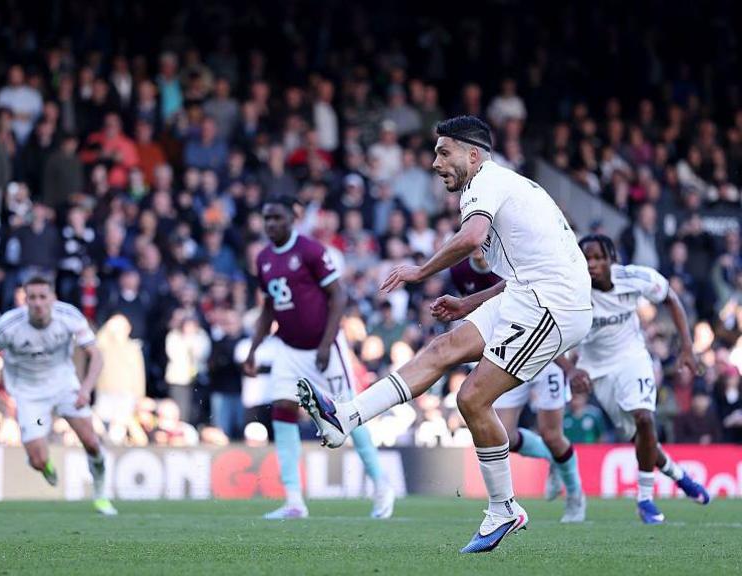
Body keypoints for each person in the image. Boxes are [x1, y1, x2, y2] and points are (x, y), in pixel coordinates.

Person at [298, 116, 592, 553]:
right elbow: (517, 270)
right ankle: (345, 418)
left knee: (472, 398)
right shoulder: (499, 186)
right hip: (528, 292)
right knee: (442, 348)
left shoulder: (485, 183)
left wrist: (420, 270)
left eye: (443, 152)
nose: (435, 163)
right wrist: (468, 304)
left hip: (555, 304)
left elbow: (471, 238)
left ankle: (504, 509)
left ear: (473, 154)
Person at [244, 195, 394, 520]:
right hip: (287, 347)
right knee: (282, 410)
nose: (270, 224)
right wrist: (255, 349)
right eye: (266, 218)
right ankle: (294, 500)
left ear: (292, 219)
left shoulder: (310, 250)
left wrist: (326, 344)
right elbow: (269, 307)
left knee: (350, 414)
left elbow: (338, 295)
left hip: (324, 347)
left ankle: (382, 485)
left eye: (277, 218)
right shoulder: (265, 258)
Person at [562, 234, 709, 524]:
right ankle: (680, 476)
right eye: (586, 258)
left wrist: (688, 348)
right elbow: (545, 333)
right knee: (640, 438)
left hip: (632, 358)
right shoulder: (571, 291)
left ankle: (644, 499)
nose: (592, 264)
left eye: (598, 257)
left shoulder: (634, 277)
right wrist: (570, 369)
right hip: (596, 370)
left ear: (612, 259)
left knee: (645, 419)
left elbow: (670, 297)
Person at [449, 249, 587, 522]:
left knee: (552, 434)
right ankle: (554, 460)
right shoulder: (459, 272)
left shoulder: (514, 262)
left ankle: (575, 495)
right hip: (508, 352)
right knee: (505, 436)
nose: (479, 248)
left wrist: (568, 368)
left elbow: (546, 321)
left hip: (546, 352)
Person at [0, 276, 116, 516]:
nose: (38, 303)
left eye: (43, 297)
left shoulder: (69, 317)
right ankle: (45, 465)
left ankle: (100, 494)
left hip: (64, 385)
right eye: (32, 298)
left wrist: (85, 388)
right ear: (25, 300)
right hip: (28, 393)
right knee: (38, 461)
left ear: (52, 297)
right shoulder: (8, 325)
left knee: (92, 442)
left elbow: (97, 355)